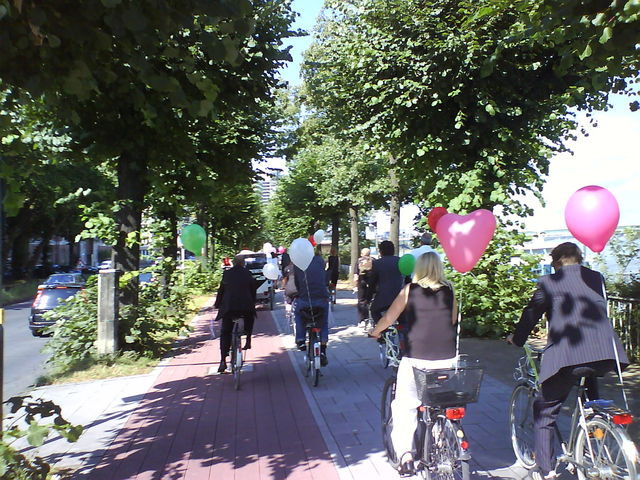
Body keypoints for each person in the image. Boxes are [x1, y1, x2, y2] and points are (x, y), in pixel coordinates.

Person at [507, 242, 629, 480]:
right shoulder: (597, 278)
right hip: (606, 352)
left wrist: (517, 338)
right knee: (591, 397)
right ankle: (589, 444)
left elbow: (531, 313)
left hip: (568, 354)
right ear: (579, 258)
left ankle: (547, 470)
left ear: (557, 261)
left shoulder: (548, 282)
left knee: (545, 410)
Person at [370, 251, 458, 476]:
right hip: (447, 358)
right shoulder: (450, 291)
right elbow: (453, 320)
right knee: (442, 403)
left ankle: (406, 456)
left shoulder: (409, 290)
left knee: (404, 407)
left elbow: (389, 318)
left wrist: (375, 331)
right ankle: (442, 438)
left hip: (417, 357)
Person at [214, 255, 258, 373]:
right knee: (250, 318)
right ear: (243, 263)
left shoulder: (227, 274)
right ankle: (248, 339)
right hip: (245, 306)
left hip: (229, 307)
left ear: (233, 263)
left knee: (225, 332)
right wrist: (253, 303)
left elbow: (221, 290)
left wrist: (217, 304)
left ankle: (223, 360)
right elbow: (253, 290)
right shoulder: (248, 274)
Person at [294, 248, 330, 366]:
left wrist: (301, 293)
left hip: (305, 299)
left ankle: (301, 339)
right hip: (321, 298)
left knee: (298, 315)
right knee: (323, 321)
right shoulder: (319, 260)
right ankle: (323, 349)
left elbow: (297, 283)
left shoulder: (298, 263)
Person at [369, 240, 404, 324]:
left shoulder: (377, 263)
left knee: (374, 311)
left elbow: (372, 282)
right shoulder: (401, 261)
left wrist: (368, 296)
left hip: (383, 298)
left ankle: (381, 331)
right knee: (403, 318)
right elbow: (407, 278)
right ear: (393, 250)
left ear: (381, 251)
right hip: (400, 297)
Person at [354, 247, 374, 324]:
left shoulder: (359, 261)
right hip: (372, 283)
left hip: (362, 282)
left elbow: (356, 275)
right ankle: (372, 319)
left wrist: (356, 285)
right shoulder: (374, 260)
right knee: (371, 300)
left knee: (361, 301)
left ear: (362, 254)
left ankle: (363, 319)